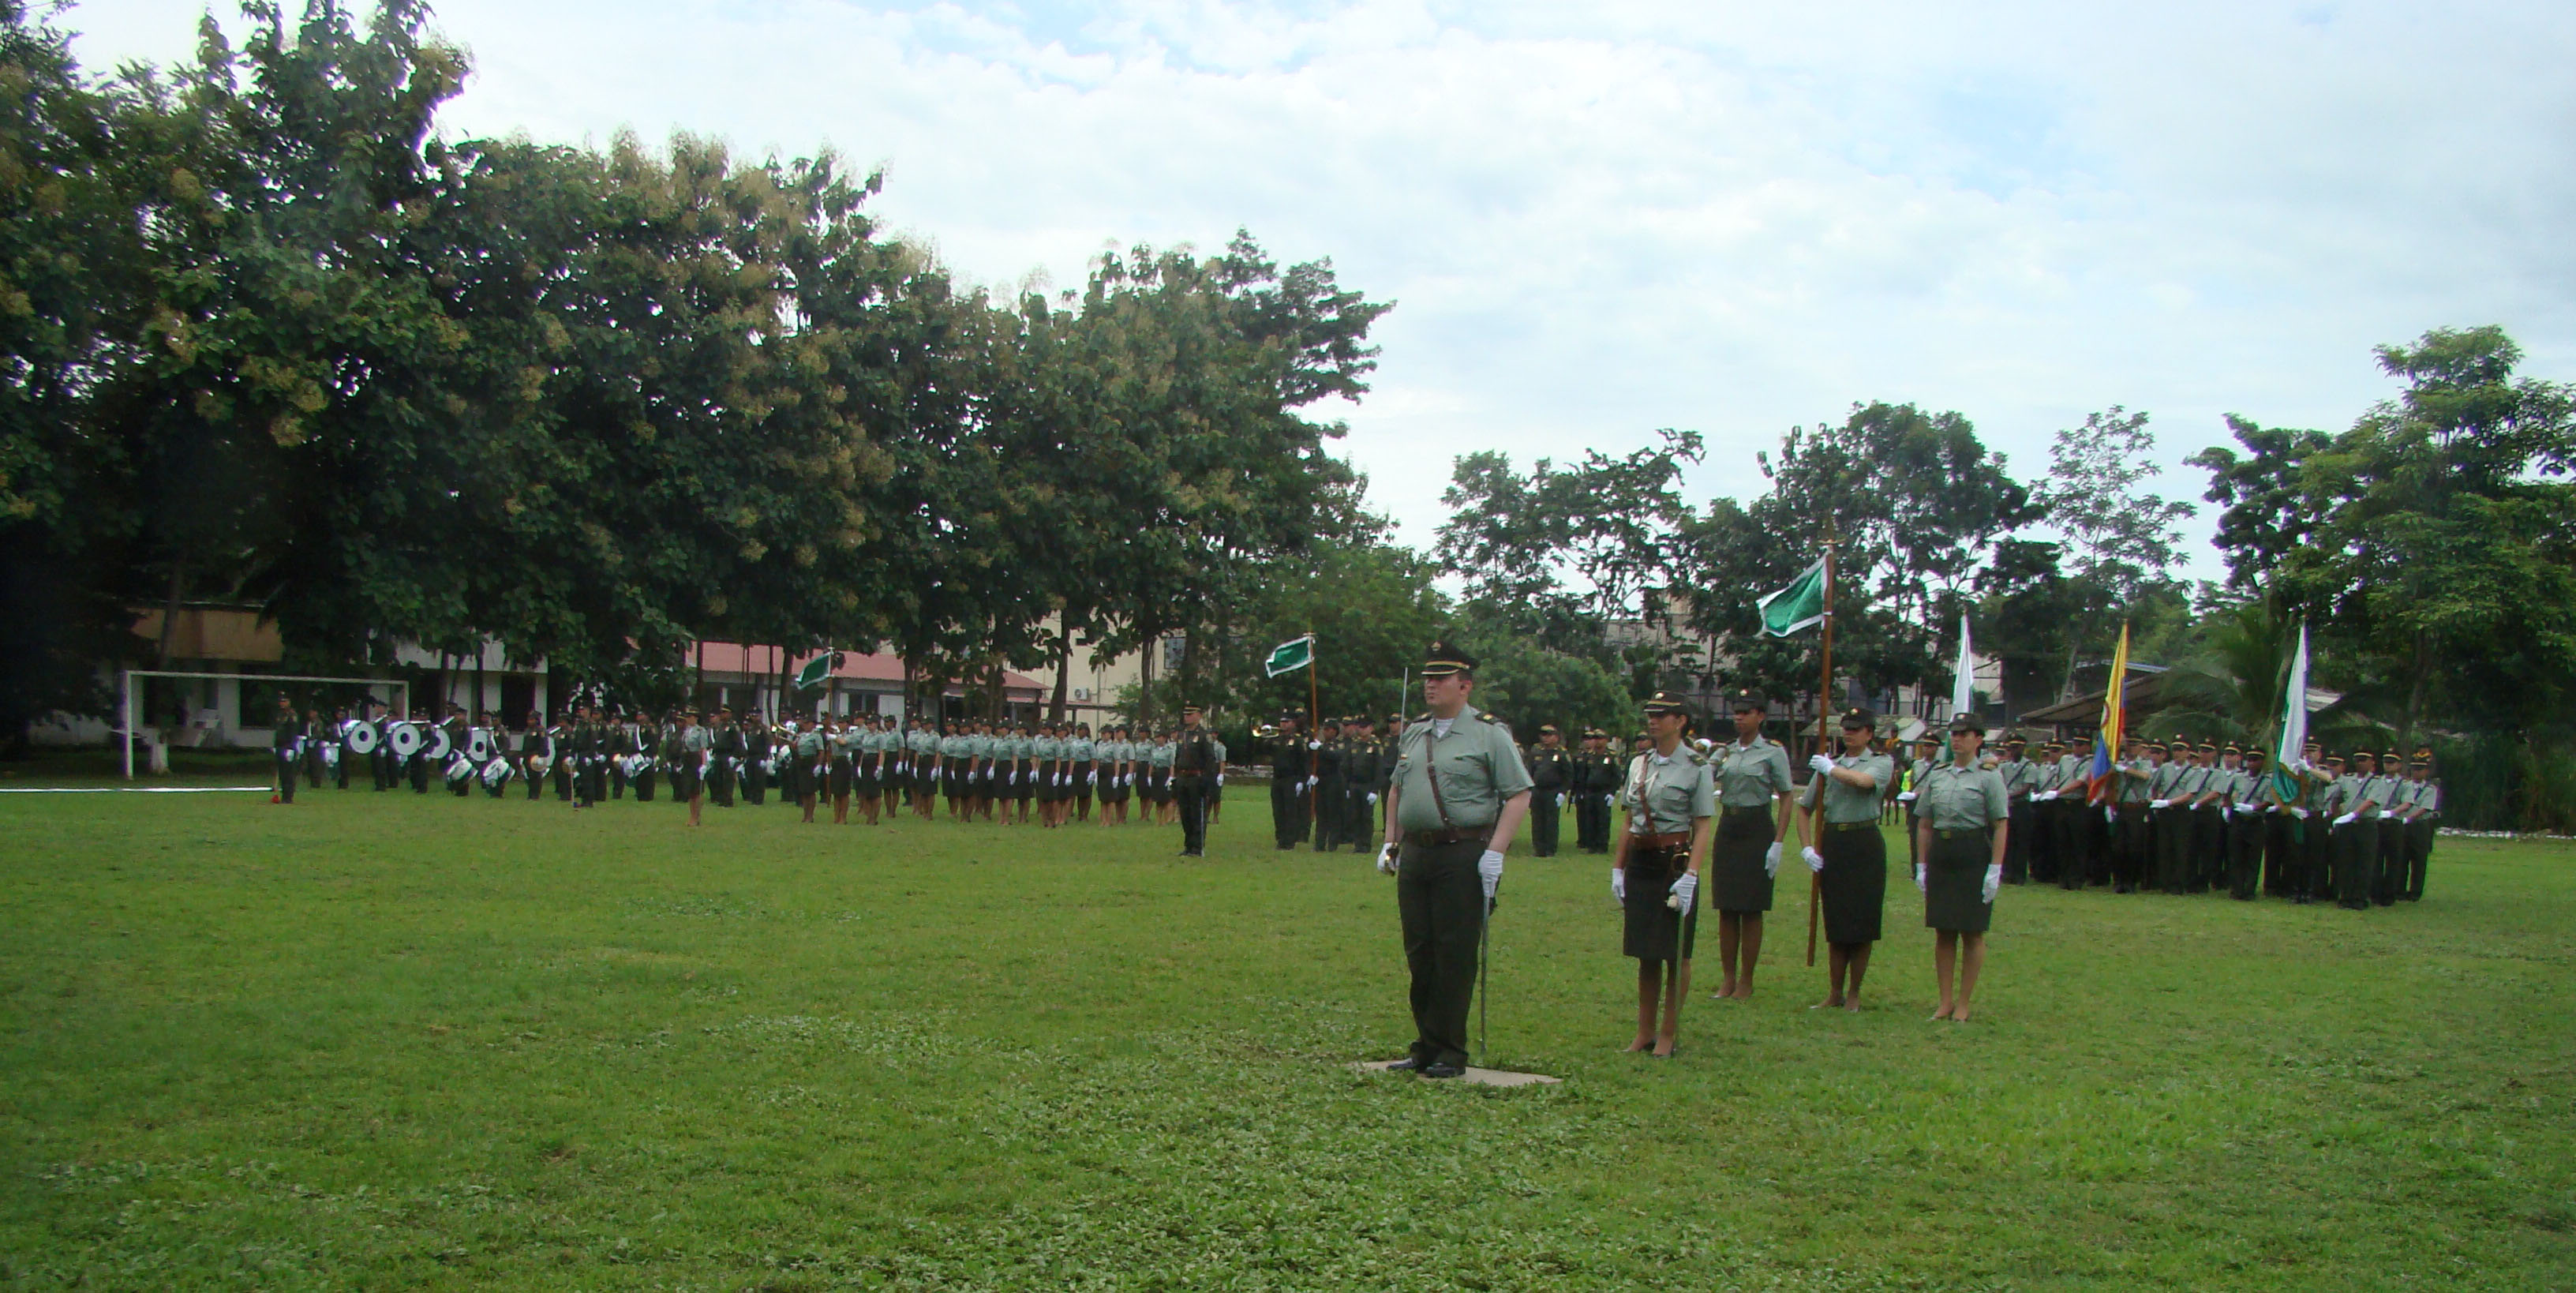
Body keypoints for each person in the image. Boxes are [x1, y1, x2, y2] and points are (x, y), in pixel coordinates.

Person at [1374, 640, 1532, 1079]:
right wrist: (1390, 841)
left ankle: (1450, 1050)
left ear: (1464, 686)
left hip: (1463, 851)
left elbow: (1518, 794)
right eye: (1427, 678)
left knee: (1455, 951)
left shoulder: (1488, 733)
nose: (1430, 686)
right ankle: (1424, 1044)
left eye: (1440, 679)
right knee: (1420, 950)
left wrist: (1495, 853)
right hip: (1418, 852)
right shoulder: (1416, 731)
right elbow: (1398, 789)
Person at [1611, 692, 1712, 1056]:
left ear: (1680, 721)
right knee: (1645, 952)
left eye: (1662, 715)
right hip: (1641, 860)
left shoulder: (1697, 766)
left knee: (1676, 952)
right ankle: (1644, 1030)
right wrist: (1617, 868)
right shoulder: (1639, 763)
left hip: (1675, 862)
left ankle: (1668, 1032)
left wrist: (1692, 876)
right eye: (1650, 714)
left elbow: (1702, 826)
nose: (1653, 721)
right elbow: (1628, 819)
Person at [1912, 713, 2009, 1023]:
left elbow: (2000, 824)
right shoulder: (1938, 774)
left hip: (1972, 851)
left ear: (1978, 740)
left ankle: (1964, 1003)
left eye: (1965, 734)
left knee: (1972, 931)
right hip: (1943, 851)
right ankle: (1944, 1001)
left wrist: (1995, 869)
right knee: (1943, 930)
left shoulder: (1988, 776)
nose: (1957, 739)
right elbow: (1924, 823)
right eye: (1954, 734)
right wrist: (1921, 864)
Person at [1799, 707, 1893, 1011]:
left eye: (1857, 728)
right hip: (1834, 842)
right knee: (1837, 921)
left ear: (1869, 733)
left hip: (1864, 842)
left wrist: (1831, 770)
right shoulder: (1829, 766)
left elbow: (1864, 783)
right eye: (1846, 728)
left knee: (1863, 922)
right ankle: (1835, 991)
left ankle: (1854, 992)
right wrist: (1807, 847)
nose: (1849, 733)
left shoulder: (1880, 762)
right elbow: (1805, 808)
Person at [1708, 690, 1794, 1001]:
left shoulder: (1772, 752)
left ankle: (1746, 979)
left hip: (1757, 828)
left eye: (1746, 712)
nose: (1739, 717)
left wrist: (1778, 842)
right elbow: (1707, 777)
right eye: (1736, 712)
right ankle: (1727, 978)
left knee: (1752, 908)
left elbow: (1786, 796)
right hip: (1729, 826)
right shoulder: (1727, 751)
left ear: (1761, 716)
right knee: (1726, 906)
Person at [1173, 703, 1219, 856]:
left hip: (1197, 777)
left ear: (1199, 716)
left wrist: (1208, 781)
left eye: (1191, 714)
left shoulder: (1204, 736)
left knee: (1197, 813)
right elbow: (1178, 757)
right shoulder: (1182, 735)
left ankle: (1198, 847)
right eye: (1186, 715)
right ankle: (1188, 845)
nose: (1187, 717)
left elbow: (1210, 760)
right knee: (1185, 814)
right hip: (1183, 777)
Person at [2398, 749, 2439, 901]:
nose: (2416, 772)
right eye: (2414, 769)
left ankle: (2415, 892)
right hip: (2403, 825)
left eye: (2420, 769)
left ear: (2426, 771)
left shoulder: (2430, 789)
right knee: (2402, 857)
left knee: (2419, 860)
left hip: (2420, 826)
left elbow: (2425, 808)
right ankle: (2400, 889)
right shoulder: (2404, 785)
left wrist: (2409, 818)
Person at [1526, 725, 1570, 857]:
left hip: (1553, 791)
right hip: (1538, 790)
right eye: (1543, 734)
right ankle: (1538, 848)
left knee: (1551, 821)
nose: (1545, 738)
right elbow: (1530, 771)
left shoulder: (1562, 753)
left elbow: (1568, 775)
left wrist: (1563, 792)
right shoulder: (1536, 751)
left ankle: (1550, 849)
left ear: (1556, 737)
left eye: (1549, 735)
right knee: (1537, 820)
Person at [1574, 729, 1618, 853]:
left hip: (1603, 792)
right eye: (1595, 738)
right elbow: (1584, 775)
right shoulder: (1590, 756)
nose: (1596, 741)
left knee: (1602, 820)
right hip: (1590, 792)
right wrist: (1581, 791)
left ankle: (1602, 845)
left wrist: (1612, 793)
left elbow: (1616, 776)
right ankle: (1591, 845)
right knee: (1590, 819)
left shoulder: (1610, 756)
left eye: (1599, 738)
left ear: (1605, 740)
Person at [271, 695, 304, 804]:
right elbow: (278, 732)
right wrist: (275, 746)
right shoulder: (280, 714)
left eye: (284, 701)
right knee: (282, 773)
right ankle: (284, 795)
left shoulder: (292, 715)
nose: (282, 703)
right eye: (281, 701)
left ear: (289, 702)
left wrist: (291, 748)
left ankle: (288, 797)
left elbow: (293, 732)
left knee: (289, 773)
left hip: (288, 747)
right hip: (280, 746)